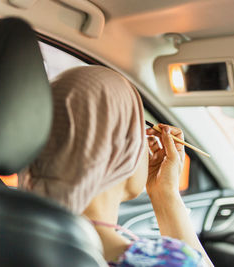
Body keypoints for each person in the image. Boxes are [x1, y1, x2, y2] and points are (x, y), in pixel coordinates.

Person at [20, 65, 214, 266]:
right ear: (117, 149)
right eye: (138, 129)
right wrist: (166, 194)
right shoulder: (164, 262)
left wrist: (162, 191)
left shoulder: (6, 234)